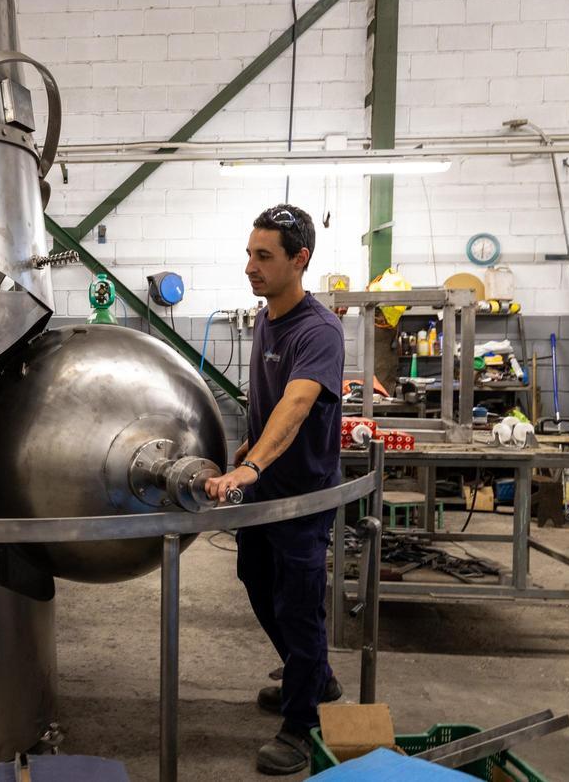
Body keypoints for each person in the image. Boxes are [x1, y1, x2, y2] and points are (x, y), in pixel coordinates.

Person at [204, 204, 346, 775]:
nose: (250, 267)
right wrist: (250, 449)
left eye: (263, 256)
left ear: (299, 260)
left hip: (301, 496)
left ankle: (303, 723)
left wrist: (253, 467)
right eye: (248, 254)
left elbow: (298, 401)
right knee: (256, 582)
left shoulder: (320, 331)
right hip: (266, 486)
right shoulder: (265, 318)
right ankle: (312, 676)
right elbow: (267, 398)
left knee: (299, 605)